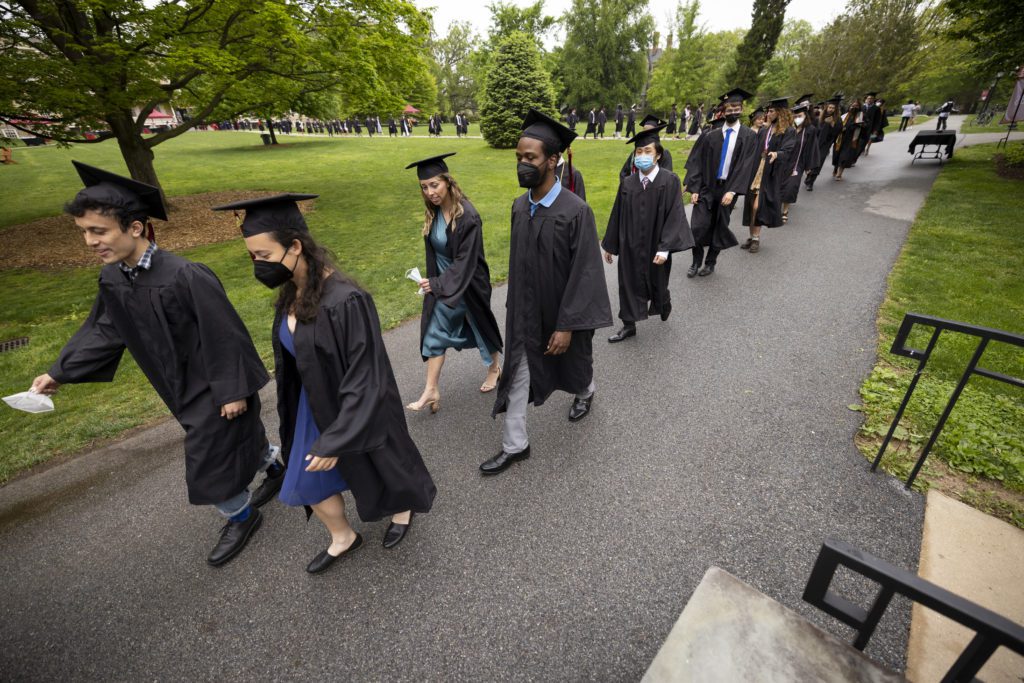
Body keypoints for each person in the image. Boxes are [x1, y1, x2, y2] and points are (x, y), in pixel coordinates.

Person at [32, 162, 282, 568]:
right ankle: (273, 466)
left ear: (134, 227)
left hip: (212, 384)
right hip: (174, 384)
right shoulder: (115, 277)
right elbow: (103, 330)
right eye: (84, 232)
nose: (89, 241)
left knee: (207, 460)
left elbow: (225, 333)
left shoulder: (185, 275)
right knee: (229, 442)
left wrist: (234, 389)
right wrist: (61, 370)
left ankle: (241, 515)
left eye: (99, 231)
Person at [215, 194, 437, 571]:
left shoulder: (347, 301)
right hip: (310, 403)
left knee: (380, 458)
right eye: (252, 257)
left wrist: (339, 436)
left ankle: (402, 510)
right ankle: (343, 536)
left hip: (357, 401)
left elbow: (366, 375)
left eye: (264, 256)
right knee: (302, 477)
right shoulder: (291, 294)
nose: (258, 265)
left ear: (296, 246)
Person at [482, 109, 612, 476]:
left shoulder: (575, 211)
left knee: (574, 364)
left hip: (562, 312)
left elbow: (586, 272)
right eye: (519, 158)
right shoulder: (519, 206)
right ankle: (515, 445)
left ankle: (586, 392)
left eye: (531, 158)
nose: (523, 164)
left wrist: (568, 325)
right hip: (525, 311)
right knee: (518, 373)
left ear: (552, 161)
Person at [402, 153, 503, 412]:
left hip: (467, 281)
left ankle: (493, 367)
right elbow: (436, 252)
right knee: (437, 329)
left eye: (434, 185)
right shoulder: (434, 212)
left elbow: (465, 262)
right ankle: (432, 389)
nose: (430, 192)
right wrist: (432, 281)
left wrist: (436, 285)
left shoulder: (468, 216)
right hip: (443, 282)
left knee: (478, 324)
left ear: (447, 182)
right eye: (424, 187)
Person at [603, 122, 693, 342]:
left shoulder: (669, 181)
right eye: (639, 151)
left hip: (657, 243)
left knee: (657, 282)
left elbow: (675, 215)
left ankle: (663, 301)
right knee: (627, 283)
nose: (642, 155)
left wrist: (665, 248)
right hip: (630, 244)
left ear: (658, 155)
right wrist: (611, 245)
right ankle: (628, 324)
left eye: (647, 151)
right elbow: (617, 213)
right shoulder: (627, 183)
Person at [683, 88, 756, 277]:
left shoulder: (748, 136)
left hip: (727, 190)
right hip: (707, 187)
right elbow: (697, 162)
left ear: (742, 108)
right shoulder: (711, 135)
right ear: (723, 110)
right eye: (729, 108)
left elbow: (746, 166)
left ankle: (710, 263)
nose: (733, 111)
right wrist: (695, 188)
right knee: (697, 226)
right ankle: (695, 261)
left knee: (719, 226)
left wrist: (733, 192)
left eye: (737, 107)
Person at [741, 97, 796, 253]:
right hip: (756, 169)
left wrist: (777, 154)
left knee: (758, 206)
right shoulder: (764, 130)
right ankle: (752, 237)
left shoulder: (789, 131)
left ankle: (756, 239)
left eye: (771, 111)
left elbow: (789, 150)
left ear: (780, 112)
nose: (768, 113)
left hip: (770, 172)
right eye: (768, 111)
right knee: (751, 205)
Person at [780, 101, 820, 223]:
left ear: (805, 116)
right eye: (795, 116)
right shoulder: (787, 128)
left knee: (791, 186)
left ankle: (785, 210)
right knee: (779, 184)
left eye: (800, 116)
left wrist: (808, 166)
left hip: (798, 162)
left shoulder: (810, 130)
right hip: (783, 161)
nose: (797, 118)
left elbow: (811, 148)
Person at [805, 95, 843, 191]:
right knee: (811, 161)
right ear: (827, 107)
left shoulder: (838, 120)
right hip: (815, 142)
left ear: (836, 109)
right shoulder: (820, 118)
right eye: (830, 107)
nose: (831, 109)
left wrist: (832, 124)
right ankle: (808, 176)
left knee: (819, 163)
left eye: (833, 108)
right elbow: (815, 130)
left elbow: (837, 132)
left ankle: (810, 182)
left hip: (825, 145)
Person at [619, 114, 674, 179]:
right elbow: (624, 173)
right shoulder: (636, 154)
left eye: (650, 131)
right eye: (644, 130)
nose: (646, 133)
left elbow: (667, 178)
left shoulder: (664, 154)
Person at [832, 98, 866, 181]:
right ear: (850, 106)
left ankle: (839, 174)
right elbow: (838, 125)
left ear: (859, 107)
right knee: (837, 155)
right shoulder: (844, 115)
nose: (854, 107)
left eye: (856, 106)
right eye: (852, 105)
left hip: (851, 139)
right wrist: (841, 128)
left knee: (844, 156)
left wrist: (862, 125)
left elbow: (864, 126)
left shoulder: (861, 116)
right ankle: (835, 168)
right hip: (840, 138)